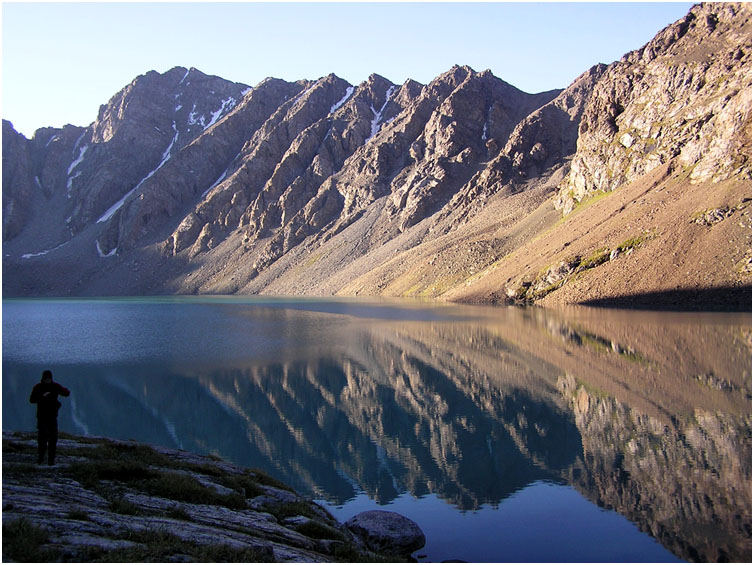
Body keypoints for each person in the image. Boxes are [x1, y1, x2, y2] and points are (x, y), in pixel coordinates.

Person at [29, 370, 70, 466]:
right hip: (42, 417)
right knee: (42, 439)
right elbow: (31, 400)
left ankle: (51, 460)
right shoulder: (38, 387)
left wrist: (63, 391)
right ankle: (41, 458)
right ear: (43, 378)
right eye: (46, 378)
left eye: (49, 378)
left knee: (53, 439)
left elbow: (66, 393)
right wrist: (42, 396)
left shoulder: (54, 386)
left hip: (52, 416)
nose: (47, 380)